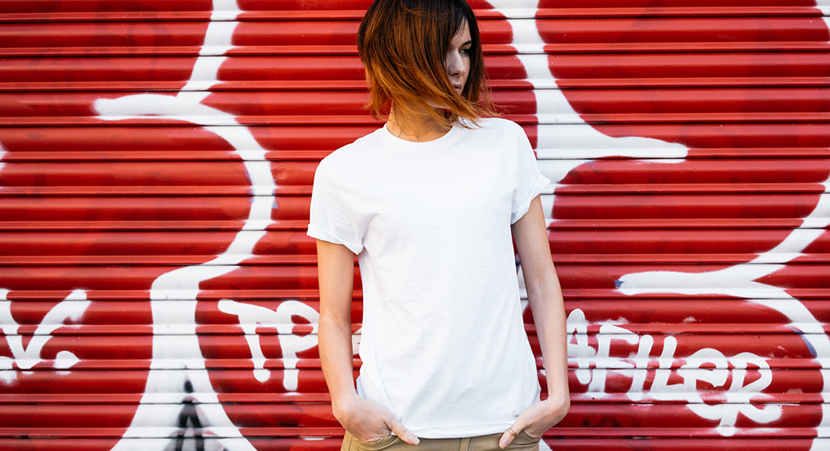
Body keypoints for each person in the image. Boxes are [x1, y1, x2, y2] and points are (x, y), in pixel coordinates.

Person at [307, 0, 569, 450]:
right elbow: (332, 313)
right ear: (396, 58)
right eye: (442, 52)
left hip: (508, 427)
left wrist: (559, 394)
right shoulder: (344, 172)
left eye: (466, 50)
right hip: (399, 433)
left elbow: (541, 279)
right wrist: (344, 402)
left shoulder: (505, 145)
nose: (457, 68)